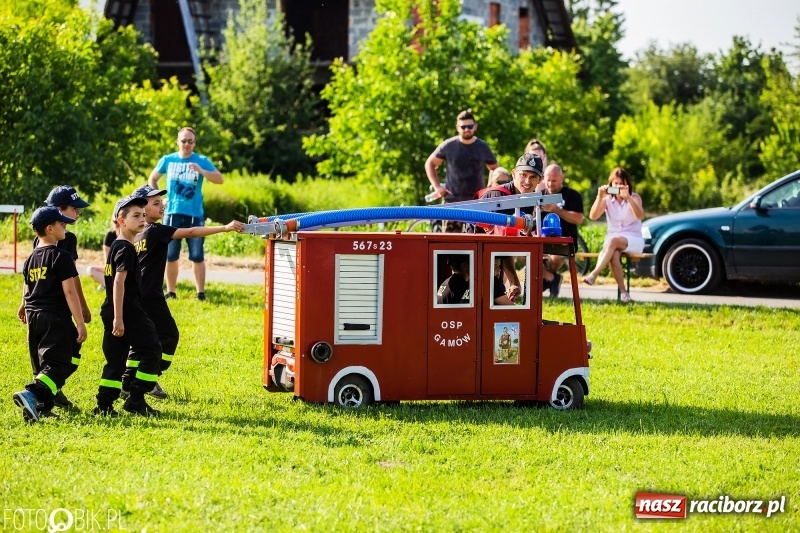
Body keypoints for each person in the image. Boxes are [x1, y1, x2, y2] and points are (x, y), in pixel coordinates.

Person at [124, 185, 245, 399]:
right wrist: (225, 228)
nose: (162, 205)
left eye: (162, 201)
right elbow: (191, 232)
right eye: (156, 203)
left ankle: (128, 381)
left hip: (134, 296)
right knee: (168, 336)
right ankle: (146, 379)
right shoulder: (156, 231)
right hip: (151, 297)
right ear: (142, 208)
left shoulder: (134, 234)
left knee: (142, 340)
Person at [12, 206, 87, 423]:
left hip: (35, 318)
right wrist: (80, 322)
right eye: (62, 224)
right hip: (55, 317)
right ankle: (32, 393)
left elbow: (27, 290)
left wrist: (25, 312)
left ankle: (42, 407)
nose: (65, 227)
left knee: (50, 361)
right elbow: (70, 291)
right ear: (50, 228)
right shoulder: (60, 256)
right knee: (58, 363)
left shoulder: (30, 259)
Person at [95, 195, 163, 417]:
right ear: (121, 221)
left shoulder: (116, 245)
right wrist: (119, 318)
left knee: (115, 362)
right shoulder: (125, 248)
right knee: (152, 351)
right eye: (136, 216)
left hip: (113, 310)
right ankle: (135, 399)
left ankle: (104, 406)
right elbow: (118, 283)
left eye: (143, 215)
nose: (142, 219)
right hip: (127, 312)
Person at [27, 185, 91, 409]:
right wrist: (81, 311)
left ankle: (50, 392)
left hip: (36, 311)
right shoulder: (65, 243)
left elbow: (30, 278)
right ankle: (40, 392)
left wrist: (24, 304)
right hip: (57, 311)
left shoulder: (39, 241)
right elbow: (71, 283)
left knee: (55, 355)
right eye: (75, 209)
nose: (78, 213)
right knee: (60, 356)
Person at [148, 127, 224, 301]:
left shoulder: (201, 160)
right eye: (184, 141)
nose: (187, 144)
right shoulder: (168, 160)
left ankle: (200, 293)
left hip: (194, 214)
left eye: (190, 141)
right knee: (171, 255)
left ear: (194, 143)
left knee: (197, 255)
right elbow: (152, 178)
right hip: (172, 214)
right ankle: (171, 291)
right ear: (177, 141)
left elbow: (219, 179)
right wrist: (158, 199)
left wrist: (202, 171)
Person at [425, 110, 498, 232]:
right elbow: (430, 164)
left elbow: (495, 169)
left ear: (475, 127)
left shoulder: (482, 147)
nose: (466, 129)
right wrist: (437, 187)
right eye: (463, 127)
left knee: (477, 245)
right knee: (449, 246)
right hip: (452, 203)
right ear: (457, 127)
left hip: (477, 203)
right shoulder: (449, 146)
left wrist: (490, 188)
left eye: (469, 126)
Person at [583, 167, 645, 303]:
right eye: (614, 184)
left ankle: (594, 274)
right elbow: (593, 216)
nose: (617, 187)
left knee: (613, 241)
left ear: (627, 185)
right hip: (613, 242)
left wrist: (628, 198)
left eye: (620, 183)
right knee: (614, 255)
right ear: (610, 184)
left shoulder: (634, 197)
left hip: (633, 239)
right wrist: (599, 197)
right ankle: (624, 294)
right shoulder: (607, 200)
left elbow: (640, 216)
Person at [539, 164, 585, 298]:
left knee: (556, 258)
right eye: (547, 180)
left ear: (561, 179)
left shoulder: (572, 195)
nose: (550, 184)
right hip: (540, 241)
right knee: (522, 254)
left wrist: (556, 210)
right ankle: (551, 278)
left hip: (565, 242)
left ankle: (547, 279)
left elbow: (578, 219)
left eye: (554, 180)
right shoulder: (539, 196)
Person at [88, 224, 118, 289]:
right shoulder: (110, 236)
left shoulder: (130, 235)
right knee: (90, 270)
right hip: (112, 268)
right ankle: (108, 285)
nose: (116, 224)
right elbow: (107, 262)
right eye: (114, 222)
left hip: (125, 269)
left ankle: (108, 285)